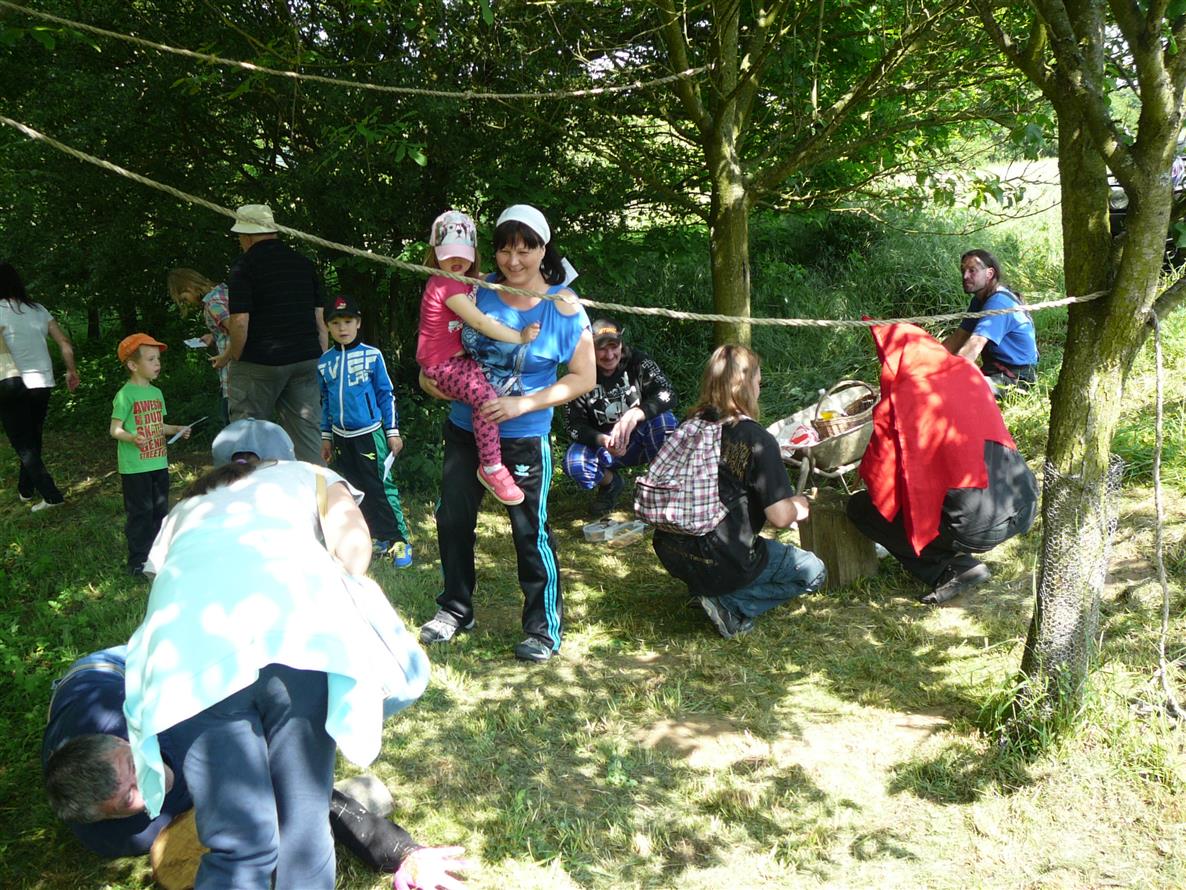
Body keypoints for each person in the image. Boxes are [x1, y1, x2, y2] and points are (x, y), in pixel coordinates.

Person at [121, 418, 434, 888]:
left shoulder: (185, 508)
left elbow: (169, 584)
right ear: (282, 456)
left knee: (238, 841)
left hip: (185, 665)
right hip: (295, 642)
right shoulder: (310, 475)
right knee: (303, 824)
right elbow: (355, 554)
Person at [43, 645, 470, 889]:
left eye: (132, 760)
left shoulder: (160, 717)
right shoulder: (121, 837)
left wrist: (400, 852)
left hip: (114, 668)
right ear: (106, 816)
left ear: (124, 740)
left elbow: (293, 781)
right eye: (130, 797)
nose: (147, 773)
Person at [418, 204, 595, 663]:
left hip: (524, 438)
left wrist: (523, 404)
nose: (513, 261)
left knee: (529, 530)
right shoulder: (479, 290)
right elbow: (444, 344)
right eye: (504, 250)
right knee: (453, 520)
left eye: (525, 250)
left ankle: (542, 628)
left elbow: (584, 377)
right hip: (465, 429)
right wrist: (427, 378)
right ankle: (455, 609)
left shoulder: (564, 307)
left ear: (543, 249)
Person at [847, 323, 1038, 605]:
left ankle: (950, 568)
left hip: (978, 526)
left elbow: (882, 477)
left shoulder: (907, 397)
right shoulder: (968, 373)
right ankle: (959, 544)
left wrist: (865, 475)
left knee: (861, 508)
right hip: (1025, 502)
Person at [650, 345, 827, 638]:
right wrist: (801, 504)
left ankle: (706, 590)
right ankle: (729, 602)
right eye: (758, 382)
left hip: (671, 549)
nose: (759, 389)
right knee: (813, 571)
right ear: (745, 386)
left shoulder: (690, 425)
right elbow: (780, 517)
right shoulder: (758, 440)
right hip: (719, 558)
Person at [416, 209, 541, 506]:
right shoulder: (445, 284)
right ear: (435, 254)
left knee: (485, 391)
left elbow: (484, 280)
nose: (456, 261)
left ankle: (490, 461)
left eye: (462, 254)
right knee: (485, 399)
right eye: (448, 255)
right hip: (442, 365)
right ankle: (491, 466)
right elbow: (480, 322)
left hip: (456, 361)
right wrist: (519, 337)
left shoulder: (463, 279)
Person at [218, 203, 329, 463]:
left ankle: (247, 485)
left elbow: (240, 321)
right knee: (307, 435)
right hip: (305, 358)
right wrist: (321, 357)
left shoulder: (244, 266)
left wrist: (236, 356)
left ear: (246, 236)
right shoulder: (303, 263)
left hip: (260, 362)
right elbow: (320, 319)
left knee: (246, 437)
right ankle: (317, 487)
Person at [318, 294, 414, 568]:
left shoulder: (372, 355)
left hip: (369, 434)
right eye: (336, 323)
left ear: (358, 323)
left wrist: (392, 430)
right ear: (327, 326)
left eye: (348, 321)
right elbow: (325, 401)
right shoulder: (324, 362)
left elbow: (386, 394)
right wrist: (326, 436)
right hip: (340, 436)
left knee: (380, 486)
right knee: (352, 489)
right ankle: (374, 536)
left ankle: (399, 540)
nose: (342, 328)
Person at [563, 317, 678, 516]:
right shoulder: (580, 372)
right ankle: (610, 483)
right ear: (590, 348)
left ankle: (662, 486)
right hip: (605, 446)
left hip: (641, 438)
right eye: (601, 349)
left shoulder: (638, 362)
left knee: (664, 422)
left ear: (621, 343)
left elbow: (668, 393)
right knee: (575, 463)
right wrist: (601, 439)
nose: (609, 355)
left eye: (613, 346)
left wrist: (637, 413)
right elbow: (572, 425)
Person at [109, 334, 192, 576]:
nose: (157, 363)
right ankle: (138, 561)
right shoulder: (125, 395)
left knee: (159, 511)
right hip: (135, 467)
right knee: (140, 513)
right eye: (151, 359)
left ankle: (158, 555)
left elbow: (158, 425)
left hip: (158, 462)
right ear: (133, 365)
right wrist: (132, 438)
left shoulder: (156, 393)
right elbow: (115, 430)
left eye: (158, 359)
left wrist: (176, 429)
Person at [0, 261, 79, 510]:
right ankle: (25, 489)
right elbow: (64, 342)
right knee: (32, 437)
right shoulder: (39, 309)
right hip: (42, 382)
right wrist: (71, 370)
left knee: (24, 443)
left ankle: (52, 496)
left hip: (11, 382)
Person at [943, 249, 1038, 394]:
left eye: (972, 270)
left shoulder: (999, 302)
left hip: (1017, 378)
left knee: (960, 389)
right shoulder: (979, 300)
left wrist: (947, 378)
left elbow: (974, 345)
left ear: (989, 273)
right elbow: (959, 338)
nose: (965, 276)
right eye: (963, 270)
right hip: (994, 369)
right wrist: (932, 362)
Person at [167, 268, 231, 423]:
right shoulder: (224, 292)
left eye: (184, 298)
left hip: (234, 375)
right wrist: (214, 335)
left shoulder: (213, 304)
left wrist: (225, 357)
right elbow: (232, 326)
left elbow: (239, 329)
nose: (187, 303)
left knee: (233, 424)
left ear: (189, 287)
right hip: (246, 373)